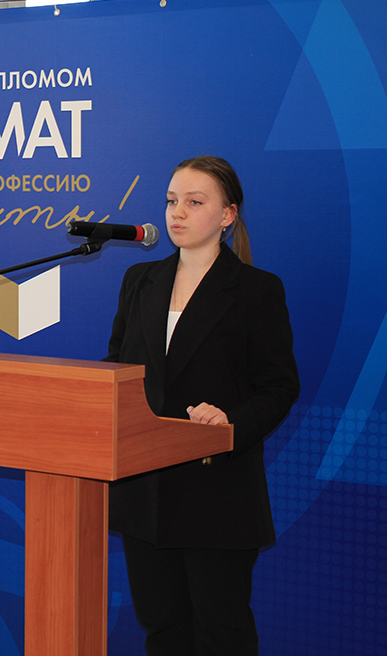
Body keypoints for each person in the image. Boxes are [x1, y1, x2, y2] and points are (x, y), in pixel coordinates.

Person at [104, 155, 300, 656]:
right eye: (172, 201)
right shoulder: (139, 280)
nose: (178, 212)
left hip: (217, 491)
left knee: (221, 632)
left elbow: (279, 387)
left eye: (194, 202)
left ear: (228, 215)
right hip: (144, 490)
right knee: (162, 629)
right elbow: (116, 366)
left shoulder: (257, 290)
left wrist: (230, 421)